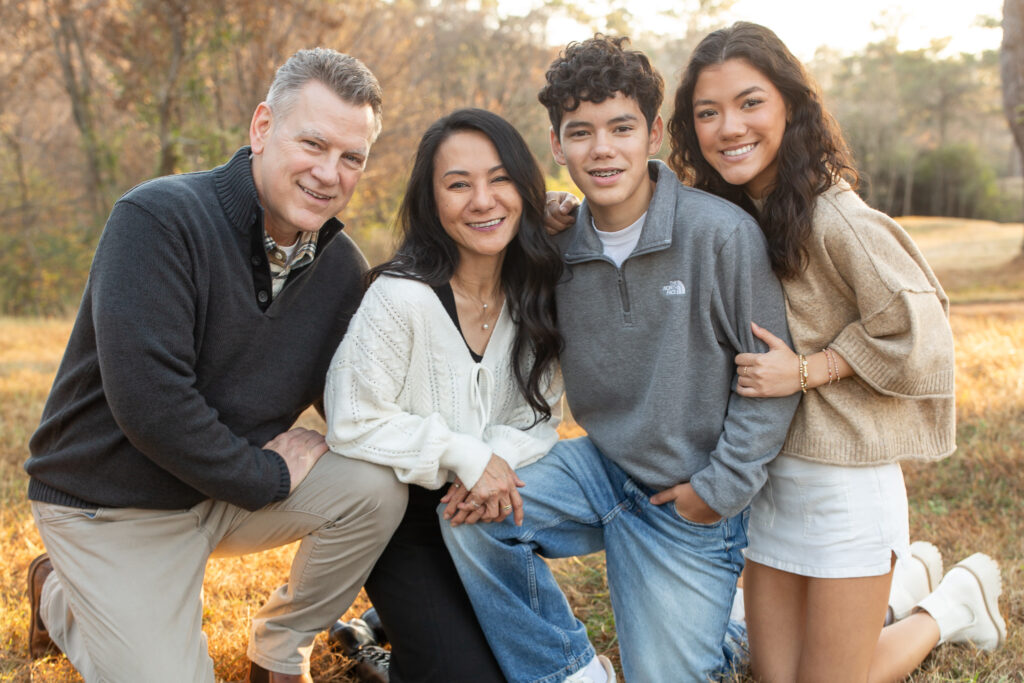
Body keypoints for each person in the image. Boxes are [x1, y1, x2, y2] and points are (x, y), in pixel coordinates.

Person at [23, 48, 409, 683]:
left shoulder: (340, 268)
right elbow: (151, 404)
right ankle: (59, 598)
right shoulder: (158, 219)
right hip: (113, 502)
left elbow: (362, 401)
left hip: (223, 490)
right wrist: (265, 476)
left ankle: (280, 649)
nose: (328, 173)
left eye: (352, 157)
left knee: (377, 486)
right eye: (312, 143)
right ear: (262, 128)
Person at [441, 36, 801, 683]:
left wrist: (715, 493)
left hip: (691, 503)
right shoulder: (555, 247)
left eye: (621, 128)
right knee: (472, 513)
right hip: (601, 470)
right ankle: (571, 672)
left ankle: (744, 628)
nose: (602, 149)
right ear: (557, 146)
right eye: (581, 133)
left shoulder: (720, 234)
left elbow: (771, 380)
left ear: (654, 132)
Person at [666, 21, 1006, 682]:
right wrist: (571, 209)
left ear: (789, 105)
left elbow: (922, 327)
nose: (729, 126)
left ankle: (949, 605)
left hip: (844, 489)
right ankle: (903, 581)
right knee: (773, 673)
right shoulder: (726, 214)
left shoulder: (831, 215)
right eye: (708, 112)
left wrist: (809, 368)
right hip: (768, 489)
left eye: (749, 102)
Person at [323, 108, 564, 682]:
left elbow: (542, 418)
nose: (483, 200)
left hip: (488, 516)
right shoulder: (400, 297)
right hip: (404, 521)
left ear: (525, 189)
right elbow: (351, 421)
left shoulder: (537, 292)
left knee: (527, 666)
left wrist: (493, 463)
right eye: (459, 184)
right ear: (433, 203)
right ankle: (369, 651)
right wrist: (464, 456)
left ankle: (388, 626)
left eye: (500, 178)